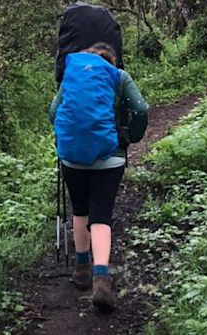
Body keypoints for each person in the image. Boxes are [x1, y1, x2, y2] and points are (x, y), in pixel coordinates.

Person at [49, 42, 148, 312]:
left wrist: (68, 137)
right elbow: (140, 109)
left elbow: (53, 112)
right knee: (101, 214)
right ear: (112, 60)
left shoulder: (72, 73)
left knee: (80, 209)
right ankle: (101, 279)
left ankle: (82, 268)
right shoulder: (118, 76)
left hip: (72, 157)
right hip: (110, 156)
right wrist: (130, 137)